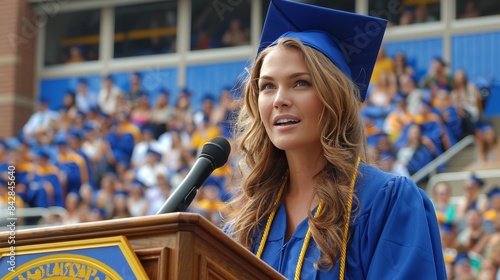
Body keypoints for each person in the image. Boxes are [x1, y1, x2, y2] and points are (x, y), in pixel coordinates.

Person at [224, 0, 446, 279]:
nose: (279, 100)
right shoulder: (246, 226)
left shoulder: (385, 203)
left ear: (335, 98)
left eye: (300, 83)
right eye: (268, 86)